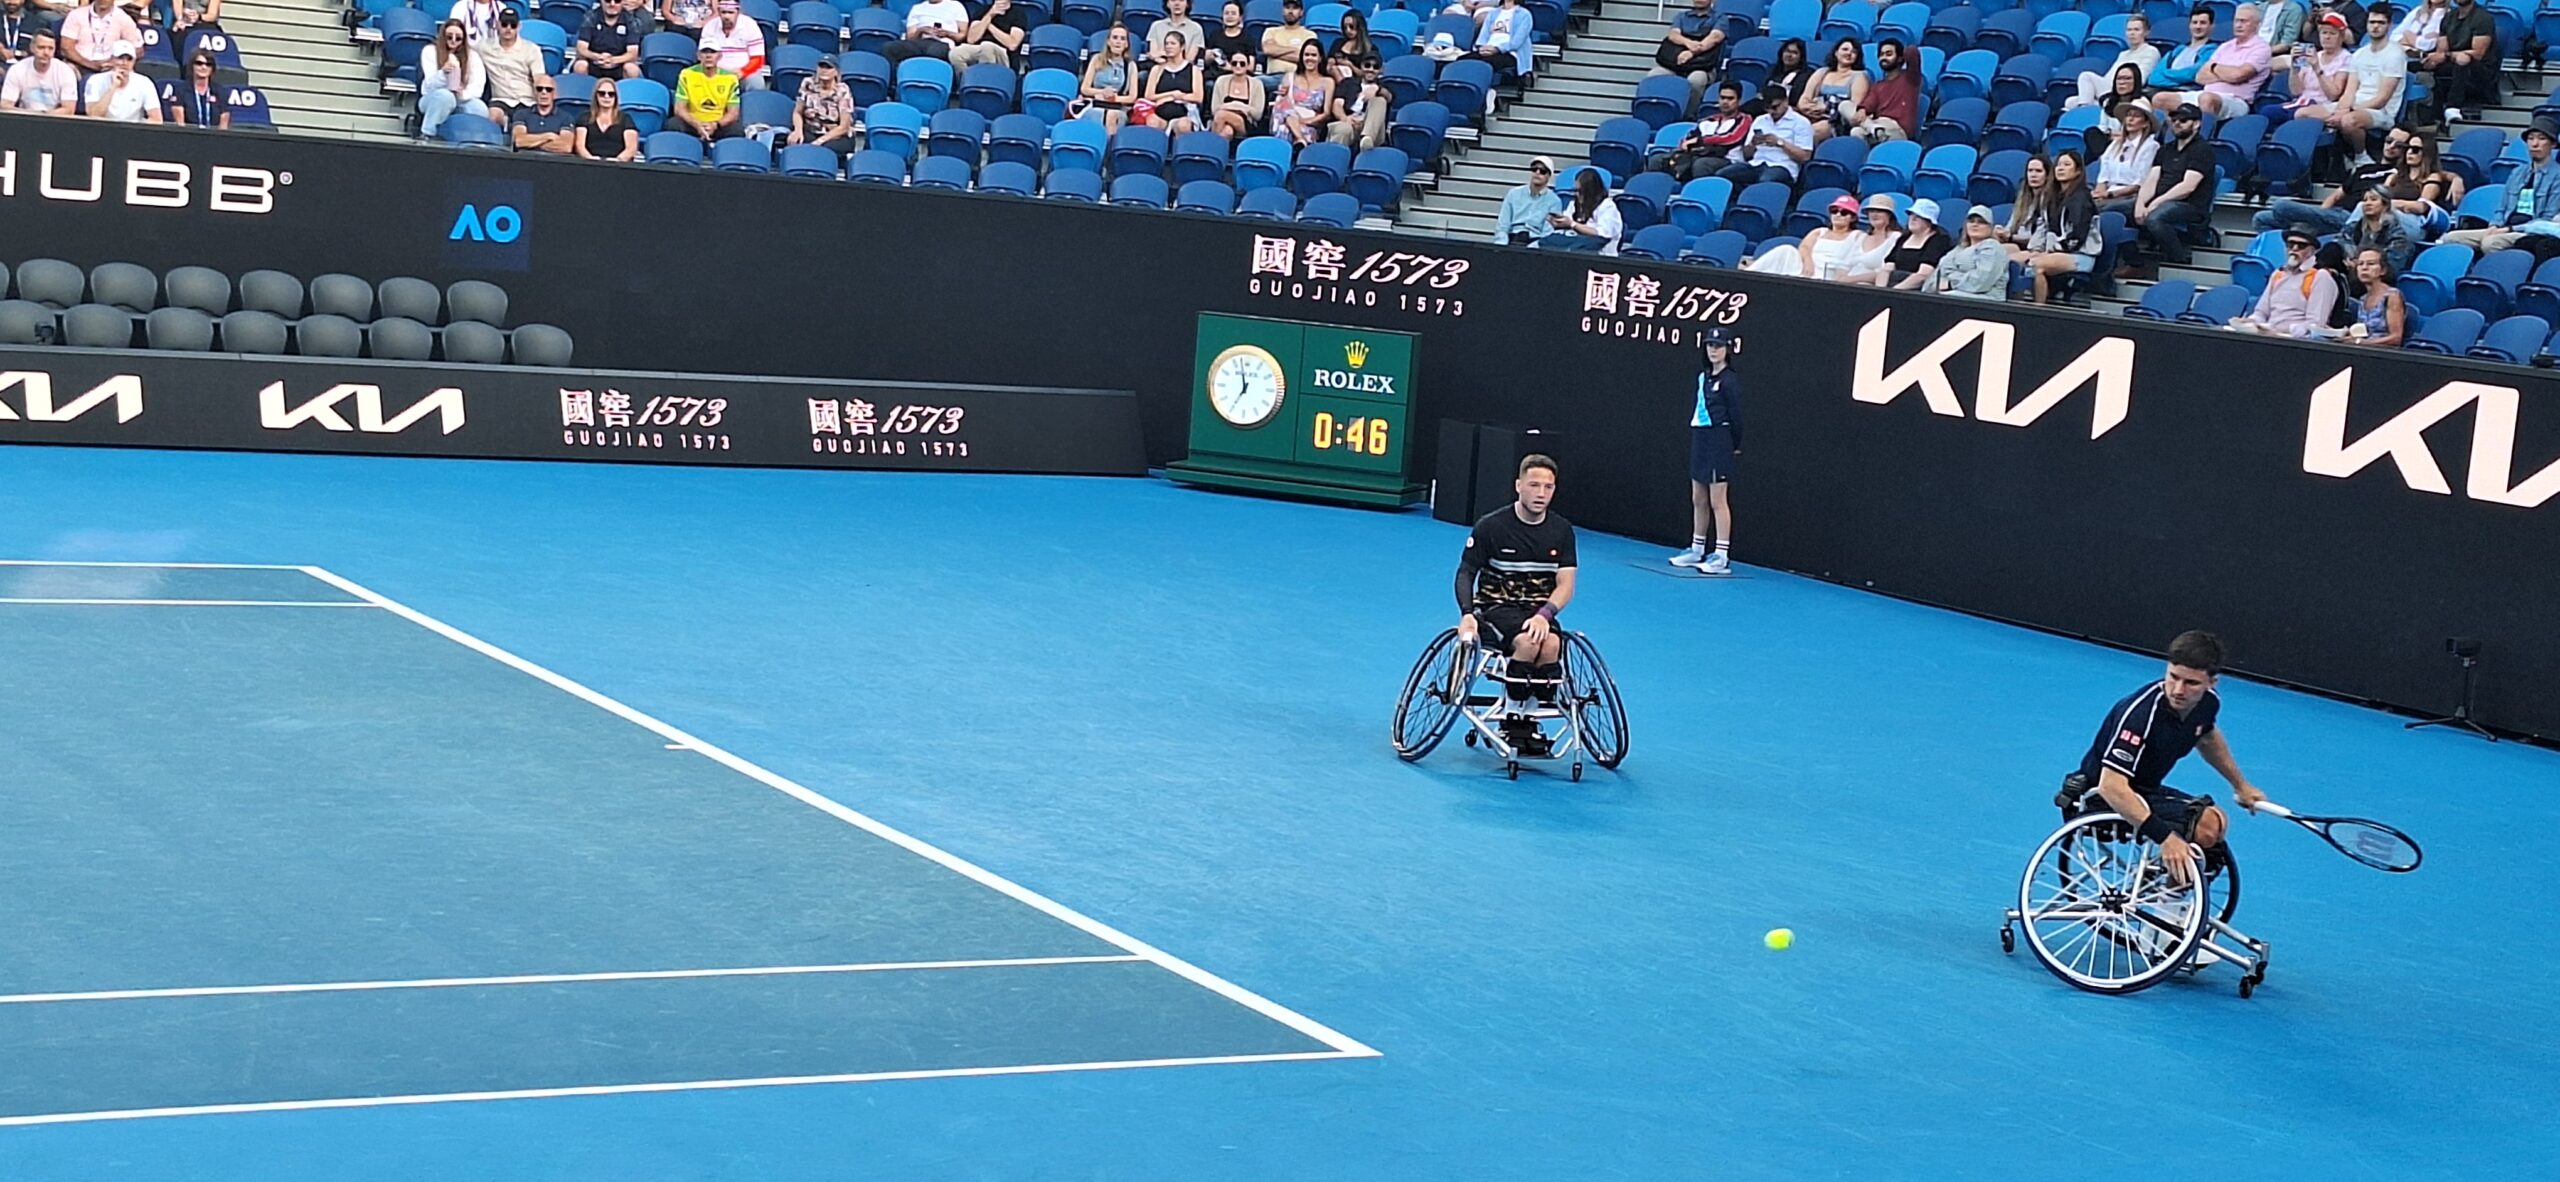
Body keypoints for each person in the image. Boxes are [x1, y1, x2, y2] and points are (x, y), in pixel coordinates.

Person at [2063, 631, 2267, 887]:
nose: (2178, 690)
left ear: (2212, 682)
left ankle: (2170, 903)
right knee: (2203, 827)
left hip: (2144, 790)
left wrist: (2240, 785)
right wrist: (2166, 839)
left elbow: (2206, 736)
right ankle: (2168, 909)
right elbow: (2111, 786)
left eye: (2191, 683)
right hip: (2100, 798)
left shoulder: (2208, 703)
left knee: (2216, 822)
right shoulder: (2140, 713)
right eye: (2173, 677)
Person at [1455, 454, 1578, 755]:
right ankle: (1511, 719)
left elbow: (1566, 585)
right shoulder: (1491, 526)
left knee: (1550, 646)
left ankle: (1529, 720)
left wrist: (1545, 614)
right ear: (1518, 486)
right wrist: (1468, 614)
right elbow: (1465, 573)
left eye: (1548, 487)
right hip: (1497, 608)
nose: (1541, 493)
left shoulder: (1561, 530)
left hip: (1538, 610)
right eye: (1534, 485)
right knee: (1528, 643)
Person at [2257, 125, 2412, 240]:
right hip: (2333, 216)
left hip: (2354, 219)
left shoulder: (2398, 174)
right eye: (2389, 141)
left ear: (2406, 150)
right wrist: (2319, 216)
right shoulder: (2364, 169)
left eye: (2398, 145)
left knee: (2281, 206)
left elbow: (2384, 200)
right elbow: (2335, 196)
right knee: (2261, 218)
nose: (2391, 147)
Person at [1669, 330, 1740, 576]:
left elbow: (1737, 415)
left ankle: (1721, 555)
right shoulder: (1703, 377)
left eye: (1719, 346)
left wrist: (1733, 444)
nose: (1713, 350)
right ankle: (1697, 548)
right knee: (1698, 497)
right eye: (1710, 345)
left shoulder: (1730, 380)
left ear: (1727, 349)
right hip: (1700, 438)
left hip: (1719, 439)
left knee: (1717, 500)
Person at [2123, 102, 2216, 276]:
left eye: (2183, 119)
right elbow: (2151, 180)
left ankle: (2179, 260)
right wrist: (2140, 204)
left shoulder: (2203, 150)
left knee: (2155, 218)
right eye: (2174, 119)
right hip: (2159, 200)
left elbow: (2188, 187)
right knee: (2111, 212)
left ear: (2196, 124)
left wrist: (2156, 202)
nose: (2177, 123)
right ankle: (2135, 262)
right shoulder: (2166, 149)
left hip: (2189, 205)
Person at [2445, 117, 2560, 253]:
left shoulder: (2557, 175)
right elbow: (2502, 208)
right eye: (2531, 138)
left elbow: (2547, 218)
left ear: (2552, 144)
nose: (2535, 144)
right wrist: (2495, 225)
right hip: (2504, 227)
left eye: (2541, 139)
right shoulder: (2517, 172)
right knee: (2451, 238)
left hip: (2530, 232)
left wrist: (2511, 229)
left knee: (2491, 243)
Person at [2016, 149, 2100, 304]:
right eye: (2058, 165)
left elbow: (2077, 236)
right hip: (2052, 251)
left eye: (2067, 165)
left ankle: (2038, 309)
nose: (2060, 168)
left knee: (2036, 265)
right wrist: (2036, 249)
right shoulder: (2051, 198)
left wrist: (2049, 253)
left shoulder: (2082, 199)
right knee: (2013, 261)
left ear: (2078, 171)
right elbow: (2044, 227)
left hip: (2080, 255)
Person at [2160, 2, 2269, 119]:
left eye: (2244, 21)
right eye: (2236, 20)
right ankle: (2168, 136)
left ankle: (2203, 135)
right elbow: (2200, 77)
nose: (2238, 25)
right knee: (2161, 99)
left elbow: (2238, 75)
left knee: (2207, 99)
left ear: (2257, 25)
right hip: (2206, 94)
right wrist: (2229, 75)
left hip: (2236, 100)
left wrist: (2214, 68)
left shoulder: (2261, 48)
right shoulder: (2225, 46)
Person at [2229, 227, 2341, 335]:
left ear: (2312, 251)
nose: (2294, 249)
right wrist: (2251, 322)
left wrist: (2279, 331)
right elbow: (2261, 312)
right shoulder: (2278, 274)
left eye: (2301, 246)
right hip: (2268, 335)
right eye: (2290, 244)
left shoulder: (2320, 276)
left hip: (2297, 343)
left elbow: (2316, 324)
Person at [2337, 5, 2405, 160]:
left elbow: (2382, 99)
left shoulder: (2395, 55)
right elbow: (2349, 91)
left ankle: (2361, 158)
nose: (2375, 27)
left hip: (2381, 112)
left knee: (2348, 121)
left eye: (2380, 23)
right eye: (2372, 22)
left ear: (2389, 25)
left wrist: (2348, 111)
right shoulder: (2359, 54)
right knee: (2305, 113)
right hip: (2355, 106)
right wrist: (2342, 108)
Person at [1750, 191, 1863, 277]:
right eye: (1834, 211)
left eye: (1844, 213)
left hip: (1829, 272)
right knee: (1786, 249)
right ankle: (1747, 275)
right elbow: (1804, 247)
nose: (1838, 215)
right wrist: (1808, 261)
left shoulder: (1857, 236)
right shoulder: (1819, 231)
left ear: (1853, 217)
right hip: (1807, 268)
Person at [1717, 84, 1811, 185]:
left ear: (1785, 101)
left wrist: (1780, 143)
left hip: (1783, 166)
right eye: (1767, 108)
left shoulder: (1801, 122)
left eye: (1775, 107)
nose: (1771, 111)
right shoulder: (1760, 120)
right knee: (1722, 175)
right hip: (1756, 163)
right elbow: (1747, 155)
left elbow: (1805, 156)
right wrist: (1753, 144)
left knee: (1765, 180)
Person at [1657, 79, 1750, 181]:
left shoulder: (1744, 119)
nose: (1725, 102)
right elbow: (1689, 138)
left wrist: (1700, 140)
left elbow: (1732, 138)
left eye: (1730, 98)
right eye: (1722, 98)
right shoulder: (1708, 120)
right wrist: (1689, 143)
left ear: (1739, 101)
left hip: (1727, 159)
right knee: (1658, 159)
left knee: (1701, 164)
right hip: (1699, 154)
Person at [2422, 0, 2492, 125]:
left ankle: (2453, 108)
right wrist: (2434, 58)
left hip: (2481, 71)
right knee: (2426, 63)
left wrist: (2448, 55)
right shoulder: (2449, 17)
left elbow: (2478, 53)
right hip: (2453, 63)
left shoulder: (2483, 18)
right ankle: (2431, 116)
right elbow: (2442, 50)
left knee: (2463, 59)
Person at [2070, 13, 2159, 109]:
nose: (2132, 33)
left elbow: (2140, 80)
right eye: (2129, 30)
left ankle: (2085, 109)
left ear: (2146, 32)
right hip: (2110, 89)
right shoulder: (2123, 54)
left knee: (2086, 76)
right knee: (2070, 101)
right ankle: (2094, 106)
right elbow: (2108, 78)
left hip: (2124, 91)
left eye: (2136, 30)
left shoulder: (2151, 51)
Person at [416, 19, 486, 139]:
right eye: (449, 37)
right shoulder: (430, 51)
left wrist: (462, 94)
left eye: (458, 38)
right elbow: (429, 85)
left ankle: (473, 140)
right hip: (432, 97)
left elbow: (478, 85)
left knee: (479, 107)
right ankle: (427, 134)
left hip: (461, 98)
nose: (453, 40)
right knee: (444, 96)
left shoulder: (472, 56)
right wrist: (443, 73)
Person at [2279, 11, 2352, 121]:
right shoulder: (2314, 54)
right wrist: (2295, 68)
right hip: (2302, 101)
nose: (2327, 37)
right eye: (2324, 33)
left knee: (2292, 115)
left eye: (2332, 33)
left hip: (2322, 105)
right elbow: (2296, 92)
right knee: (2268, 111)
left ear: (2341, 37)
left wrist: (2317, 68)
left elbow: (2333, 95)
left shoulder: (2346, 58)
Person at [2091, 103, 2158, 221]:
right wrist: (2099, 191)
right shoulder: (2114, 145)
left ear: (2145, 123)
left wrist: (2109, 195)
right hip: (2108, 192)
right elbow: (2103, 176)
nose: (2130, 119)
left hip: (2130, 196)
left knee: (2098, 209)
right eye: (2128, 115)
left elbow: (2138, 184)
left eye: (2136, 116)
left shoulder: (2150, 147)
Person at [2391, 133, 2464, 240]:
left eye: (2415, 149)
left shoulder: (2433, 177)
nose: (2410, 152)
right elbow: (2379, 197)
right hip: (2391, 219)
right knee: (2364, 207)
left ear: (2426, 153)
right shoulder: (2394, 177)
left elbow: (2422, 206)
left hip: (2417, 223)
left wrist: (2390, 204)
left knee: (2380, 212)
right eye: (2407, 148)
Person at [1535, 167, 1622, 253]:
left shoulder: (1607, 206)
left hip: (1600, 254)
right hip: (1574, 248)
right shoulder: (1574, 204)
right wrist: (1557, 224)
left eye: (1580, 191)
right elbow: (1567, 223)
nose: (1577, 194)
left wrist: (1572, 224)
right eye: (1575, 191)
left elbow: (1601, 234)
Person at [1651, 0, 1724, 103]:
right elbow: (1673, 35)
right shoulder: (1681, 16)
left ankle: (1689, 114)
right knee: (1654, 75)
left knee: (1696, 80)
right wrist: (1688, 43)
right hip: (1675, 63)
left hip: (1703, 65)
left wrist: (1691, 53)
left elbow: (1714, 38)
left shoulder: (1720, 18)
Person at [2337, 180, 2419, 272]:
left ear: (2385, 205)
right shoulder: (2353, 227)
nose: (2367, 203)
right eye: (2365, 200)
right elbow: (2341, 241)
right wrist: (2349, 258)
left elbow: (2392, 265)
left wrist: (2361, 264)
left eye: (2373, 199)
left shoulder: (2397, 235)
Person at [1934, 204, 2012, 298]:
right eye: (1971, 221)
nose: (1975, 225)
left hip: (1987, 300)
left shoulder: (1993, 247)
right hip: (1957, 295)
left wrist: (1951, 283)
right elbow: (1940, 274)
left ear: (1990, 228)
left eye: (1981, 222)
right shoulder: (1958, 249)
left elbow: (1981, 282)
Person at [482, 7, 545, 119]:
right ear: (497, 24)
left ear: (519, 26)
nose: (508, 28)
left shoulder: (531, 49)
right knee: (492, 115)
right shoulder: (484, 47)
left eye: (513, 25)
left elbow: (539, 78)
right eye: (504, 24)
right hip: (501, 100)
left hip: (527, 101)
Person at [1800, 36, 1866, 143]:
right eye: (1845, 49)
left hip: (1836, 122)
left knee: (1810, 132)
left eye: (1853, 52)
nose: (1849, 53)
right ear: (1836, 53)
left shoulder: (1859, 76)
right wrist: (1809, 109)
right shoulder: (1822, 72)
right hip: (1811, 115)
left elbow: (1853, 108)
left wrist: (1826, 108)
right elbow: (1804, 99)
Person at [1851, 37, 1917, 143]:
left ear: (1900, 58)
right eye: (1881, 55)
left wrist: (1903, 51)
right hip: (1877, 124)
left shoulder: (1910, 79)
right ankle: (1872, 129)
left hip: (1897, 128)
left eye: (1889, 54)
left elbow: (1913, 52)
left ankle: (1872, 128)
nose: (1884, 58)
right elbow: (1869, 104)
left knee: (1869, 127)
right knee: (1855, 131)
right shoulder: (1878, 86)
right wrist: (1862, 110)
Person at [672, 37, 739, 141]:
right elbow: (679, 109)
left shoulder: (730, 78)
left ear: (719, 56)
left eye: (712, 52)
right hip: (693, 123)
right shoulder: (687, 74)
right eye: (704, 52)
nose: (708, 56)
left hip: (717, 124)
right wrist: (696, 124)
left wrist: (715, 125)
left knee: (736, 129)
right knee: (673, 124)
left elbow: (733, 113)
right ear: (698, 56)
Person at [788, 53, 854, 154]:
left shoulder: (843, 90)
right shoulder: (807, 83)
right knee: (797, 140)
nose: (824, 70)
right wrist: (798, 130)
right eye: (821, 66)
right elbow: (797, 112)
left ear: (836, 72)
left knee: (825, 149)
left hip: (834, 134)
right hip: (812, 129)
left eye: (829, 67)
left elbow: (844, 126)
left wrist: (820, 141)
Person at [2340, 247, 2408, 346]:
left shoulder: (2392, 296)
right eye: (2360, 264)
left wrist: (2361, 342)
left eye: (2371, 264)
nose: (2364, 268)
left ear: (2383, 270)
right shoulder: (2363, 298)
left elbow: (2396, 338)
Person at [2146, 6, 2217, 100]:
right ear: (2189, 25)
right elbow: (2153, 78)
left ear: (2211, 26)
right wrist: (2180, 79)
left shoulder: (2213, 51)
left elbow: (2194, 74)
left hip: (2187, 93)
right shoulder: (2177, 50)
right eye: (2194, 23)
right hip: (2161, 90)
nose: (2198, 26)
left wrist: (2166, 74)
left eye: (2203, 23)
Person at [1141, 29, 1203, 133]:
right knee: (1152, 121)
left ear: (1182, 47)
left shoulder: (1193, 70)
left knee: (1183, 125)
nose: (1168, 46)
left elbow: (1198, 97)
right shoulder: (1157, 69)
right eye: (1166, 44)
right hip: (1161, 111)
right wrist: (1172, 95)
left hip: (1183, 113)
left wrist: (1177, 97)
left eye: (1173, 43)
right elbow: (1149, 95)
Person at [3, 31, 80, 114]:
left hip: (56, 121)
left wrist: (44, 116)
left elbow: (69, 110)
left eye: (50, 48)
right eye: (41, 47)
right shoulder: (17, 69)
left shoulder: (65, 72)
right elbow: (5, 106)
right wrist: (32, 115)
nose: (46, 53)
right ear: (32, 47)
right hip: (25, 120)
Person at [1882, 197, 1950, 289]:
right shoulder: (1903, 238)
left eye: (1918, 216)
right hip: (1892, 283)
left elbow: (1923, 275)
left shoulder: (1938, 240)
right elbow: (1887, 269)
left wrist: (1894, 291)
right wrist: (1880, 290)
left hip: (1914, 289)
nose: (1913, 218)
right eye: (1911, 214)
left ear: (1929, 221)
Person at [1494, 154, 1563, 244]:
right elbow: (1502, 225)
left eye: (1542, 171)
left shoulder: (1554, 201)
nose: (1537, 173)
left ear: (1549, 176)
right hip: (1513, 238)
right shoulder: (1513, 193)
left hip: (1536, 241)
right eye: (1534, 169)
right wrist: (1502, 246)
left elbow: (1547, 233)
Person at [1269, 37, 1327, 143]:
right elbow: (1282, 106)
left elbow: (1326, 113)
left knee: (1286, 129)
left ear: (1320, 58)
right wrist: (1282, 92)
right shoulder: (1290, 77)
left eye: (1313, 55)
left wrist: (1306, 121)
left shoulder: (1328, 82)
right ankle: (1299, 140)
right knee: (1282, 106)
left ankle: (1299, 141)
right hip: (1286, 121)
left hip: (1309, 124)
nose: (1310, 58)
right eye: (1306, 55)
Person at [81, 37, 153, 119]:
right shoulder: (95, 80)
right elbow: (93, 115)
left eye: (129, 59)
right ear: (112, 59)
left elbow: (156, 118)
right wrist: (113, 87)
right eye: (120, 58)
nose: (124, 63)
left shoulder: (145, 82)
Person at [57, 0, 137, 72]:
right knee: (67, 69)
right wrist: (90, 64)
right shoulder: (76, 15)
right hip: (79, 65)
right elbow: (66, 48)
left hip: (111, 68)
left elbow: (137, 48)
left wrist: (113, 62)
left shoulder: (124, 18)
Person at [698, 0, 766, 84]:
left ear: (738, 12)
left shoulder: (750, 25)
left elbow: (758, 59)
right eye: (723, 12)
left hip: (744, 71)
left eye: (731, 12)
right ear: (718, 12)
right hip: (716, 72)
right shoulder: (710, 27)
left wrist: (743, 71)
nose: (727, 16)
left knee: (755, 81)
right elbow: (704, 55)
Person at [573, 0, 643, 81]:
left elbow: (632, 54)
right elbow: (581, 48)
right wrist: (597, 57)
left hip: (619, 64)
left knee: (632, 69)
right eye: (608, 0)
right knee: (580, 65)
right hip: (594, 62)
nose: (612, 4)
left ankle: (627, 93)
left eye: (617, 1)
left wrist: (612, 60)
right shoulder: (591, 17)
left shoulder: (631, 21)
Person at [1840, 191, 1902, 283]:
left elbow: (1884, 272)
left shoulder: (1895, 238)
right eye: (1872, 211)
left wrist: (1850, 280)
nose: (1874, 214)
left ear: (1889, 215)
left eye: (1879, 211)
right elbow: (1844, 266)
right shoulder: (1861, 237)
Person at [1325, 52, 1384, 148]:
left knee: (1380, 100)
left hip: (1372, 128)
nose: (1371, 70)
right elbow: (1337, 105)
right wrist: (1345, 119)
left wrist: (1378, 89)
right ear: (1361, 67)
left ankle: (1367, 138)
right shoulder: (1348, 83)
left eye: (1375, 67)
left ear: (1381, 70)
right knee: (1343, 129)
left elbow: (1389, 96)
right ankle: (1335, 159)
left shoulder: (1384, 87)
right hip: (1349, 122)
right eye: (1367, 65)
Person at [574, 74, 640, 160]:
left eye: (611, 94)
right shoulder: (585, 117)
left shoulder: (625, 118)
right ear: (596, 96)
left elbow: (631, 148)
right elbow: (580, 146)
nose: (606, 97)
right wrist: (591, 159)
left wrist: (616, 161)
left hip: (618, 166)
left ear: (616, 97)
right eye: (602, 93)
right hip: (590, 164)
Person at [1468, 0, 1530, 86]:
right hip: (1488, 49)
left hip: (1510, 53)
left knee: (1486, 63)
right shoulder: (1493, 13)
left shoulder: (1524, 15)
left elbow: (1517, 42)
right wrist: (1481, 47)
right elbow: (1484, 35)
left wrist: (1497, 49)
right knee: (1463, 60)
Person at [1206, 46, 1264, 140]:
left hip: (1246, 123)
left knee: (1221, 114)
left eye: (1242, 64)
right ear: (1230, 65)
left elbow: (1257, 114)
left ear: (1248, 65)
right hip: (1222, 122)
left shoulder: (1256, 84)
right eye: (1234, 63)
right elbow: (1214, 109)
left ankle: (1211, 147)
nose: (1238, 66)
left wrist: (1227, 106)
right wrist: (1241, 107)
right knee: (1227, 132)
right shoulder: (1221, 81)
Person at [509, 72, 575, 152]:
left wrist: (532, 143)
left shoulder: (566, 117)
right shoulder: (521, 114)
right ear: (534, 92)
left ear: (555, 94)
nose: (544, 92)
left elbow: (565, 147)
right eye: (539, 89)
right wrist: (548, 136)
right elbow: (519, 141)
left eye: (549, 89)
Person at [952, 0, 1024, 72]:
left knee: (987, 47)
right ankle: (965, 80)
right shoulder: (983, 11)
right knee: (956, 53)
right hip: (978, 48)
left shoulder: (1018, 14)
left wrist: (988, 25)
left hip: (1003, 53)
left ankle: (985, 82)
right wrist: (990, 15)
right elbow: (971, 39)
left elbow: (1012, 45)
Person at [884, 0, 963, 65]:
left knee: (935, 51)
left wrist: (947, 33)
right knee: (889, 47)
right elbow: (910, 37)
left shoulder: (956, 6)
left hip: (942, 41)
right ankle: (895, 80)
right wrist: (921, 30)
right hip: (920, 41)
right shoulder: (917, 8)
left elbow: (962, 36)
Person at [1999, 152, 2051, 248]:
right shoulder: (2022, 201)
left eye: (2038, 171)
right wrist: (2001, 232)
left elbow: (2040, 239)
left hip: (2036, 249)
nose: (2033, 175)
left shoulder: (2049, 202)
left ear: (2048, 175)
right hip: (2015, 245)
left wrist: (2011, 237)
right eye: (2030, 171)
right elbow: (2009, 228)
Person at [170, 46, 227, 126]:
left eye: (208, 64)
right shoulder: (180, 90)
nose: (203, 67)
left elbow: (223, 126)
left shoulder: (220, 91)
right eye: (199, 63)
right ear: (192, 65)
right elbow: (180, 125)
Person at [1260, 0, 1313, 74]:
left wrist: (1275, 54)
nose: (1290, 11)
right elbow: (1268, 50)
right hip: (1272, 77)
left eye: (1295, 8)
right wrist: (1295, 50)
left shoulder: (1309, 35)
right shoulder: (1271, 31)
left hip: (1297, 77)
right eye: (1287, 7)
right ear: (1282, 11)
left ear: (1301, 12)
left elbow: (1305, 59)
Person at [1762, 37, 1811, 110]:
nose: (1789, 55)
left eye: (1794, 53)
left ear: (1801, 57)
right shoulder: (1772, 70)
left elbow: (1796, 101)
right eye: (1787, 51)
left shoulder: (1806, 76)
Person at [1204, 0, 1252, 68]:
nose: (1229, 16)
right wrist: (1209, 56)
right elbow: (1206, 61)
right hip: (1214, 74)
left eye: (1233, 13)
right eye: (1226, 13)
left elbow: (1251, 67)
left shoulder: (1247, 38)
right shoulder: (1214, 35)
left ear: (1240, 17)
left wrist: (1230, 67)